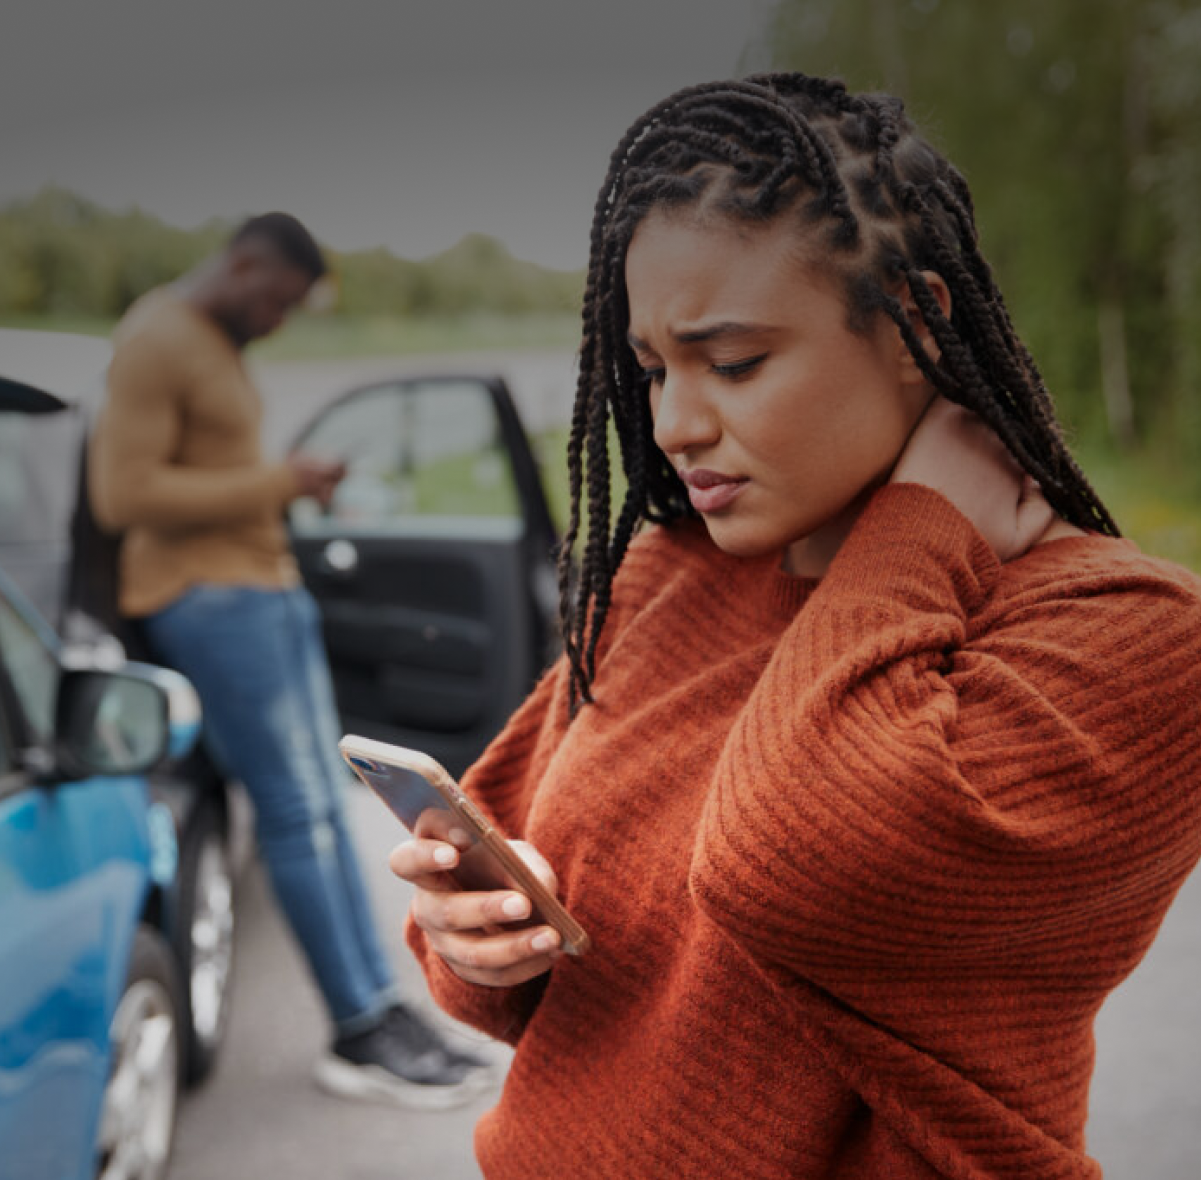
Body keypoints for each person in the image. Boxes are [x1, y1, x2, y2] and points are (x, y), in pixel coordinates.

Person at [389, 73, 1201, 1176]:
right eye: (651, 370)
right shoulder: (668, 575)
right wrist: (481, 952)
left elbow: (791, 866)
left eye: (733, 362)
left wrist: (917, 532)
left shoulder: (1133, 638)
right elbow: (557, 954)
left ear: (916, 320)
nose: (674, 425)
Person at [88, 211, 490, 1108]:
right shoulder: (158, 337)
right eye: (274, 301)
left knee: (324, 806)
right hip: (210, 600)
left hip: (262, 593)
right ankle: (357, 1031)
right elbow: (124, 494)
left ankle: (385, 1009)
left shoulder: (211, 342)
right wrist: (282, 481)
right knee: (297, 813)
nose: (276, 321)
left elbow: (202, 470)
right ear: (244, 264)